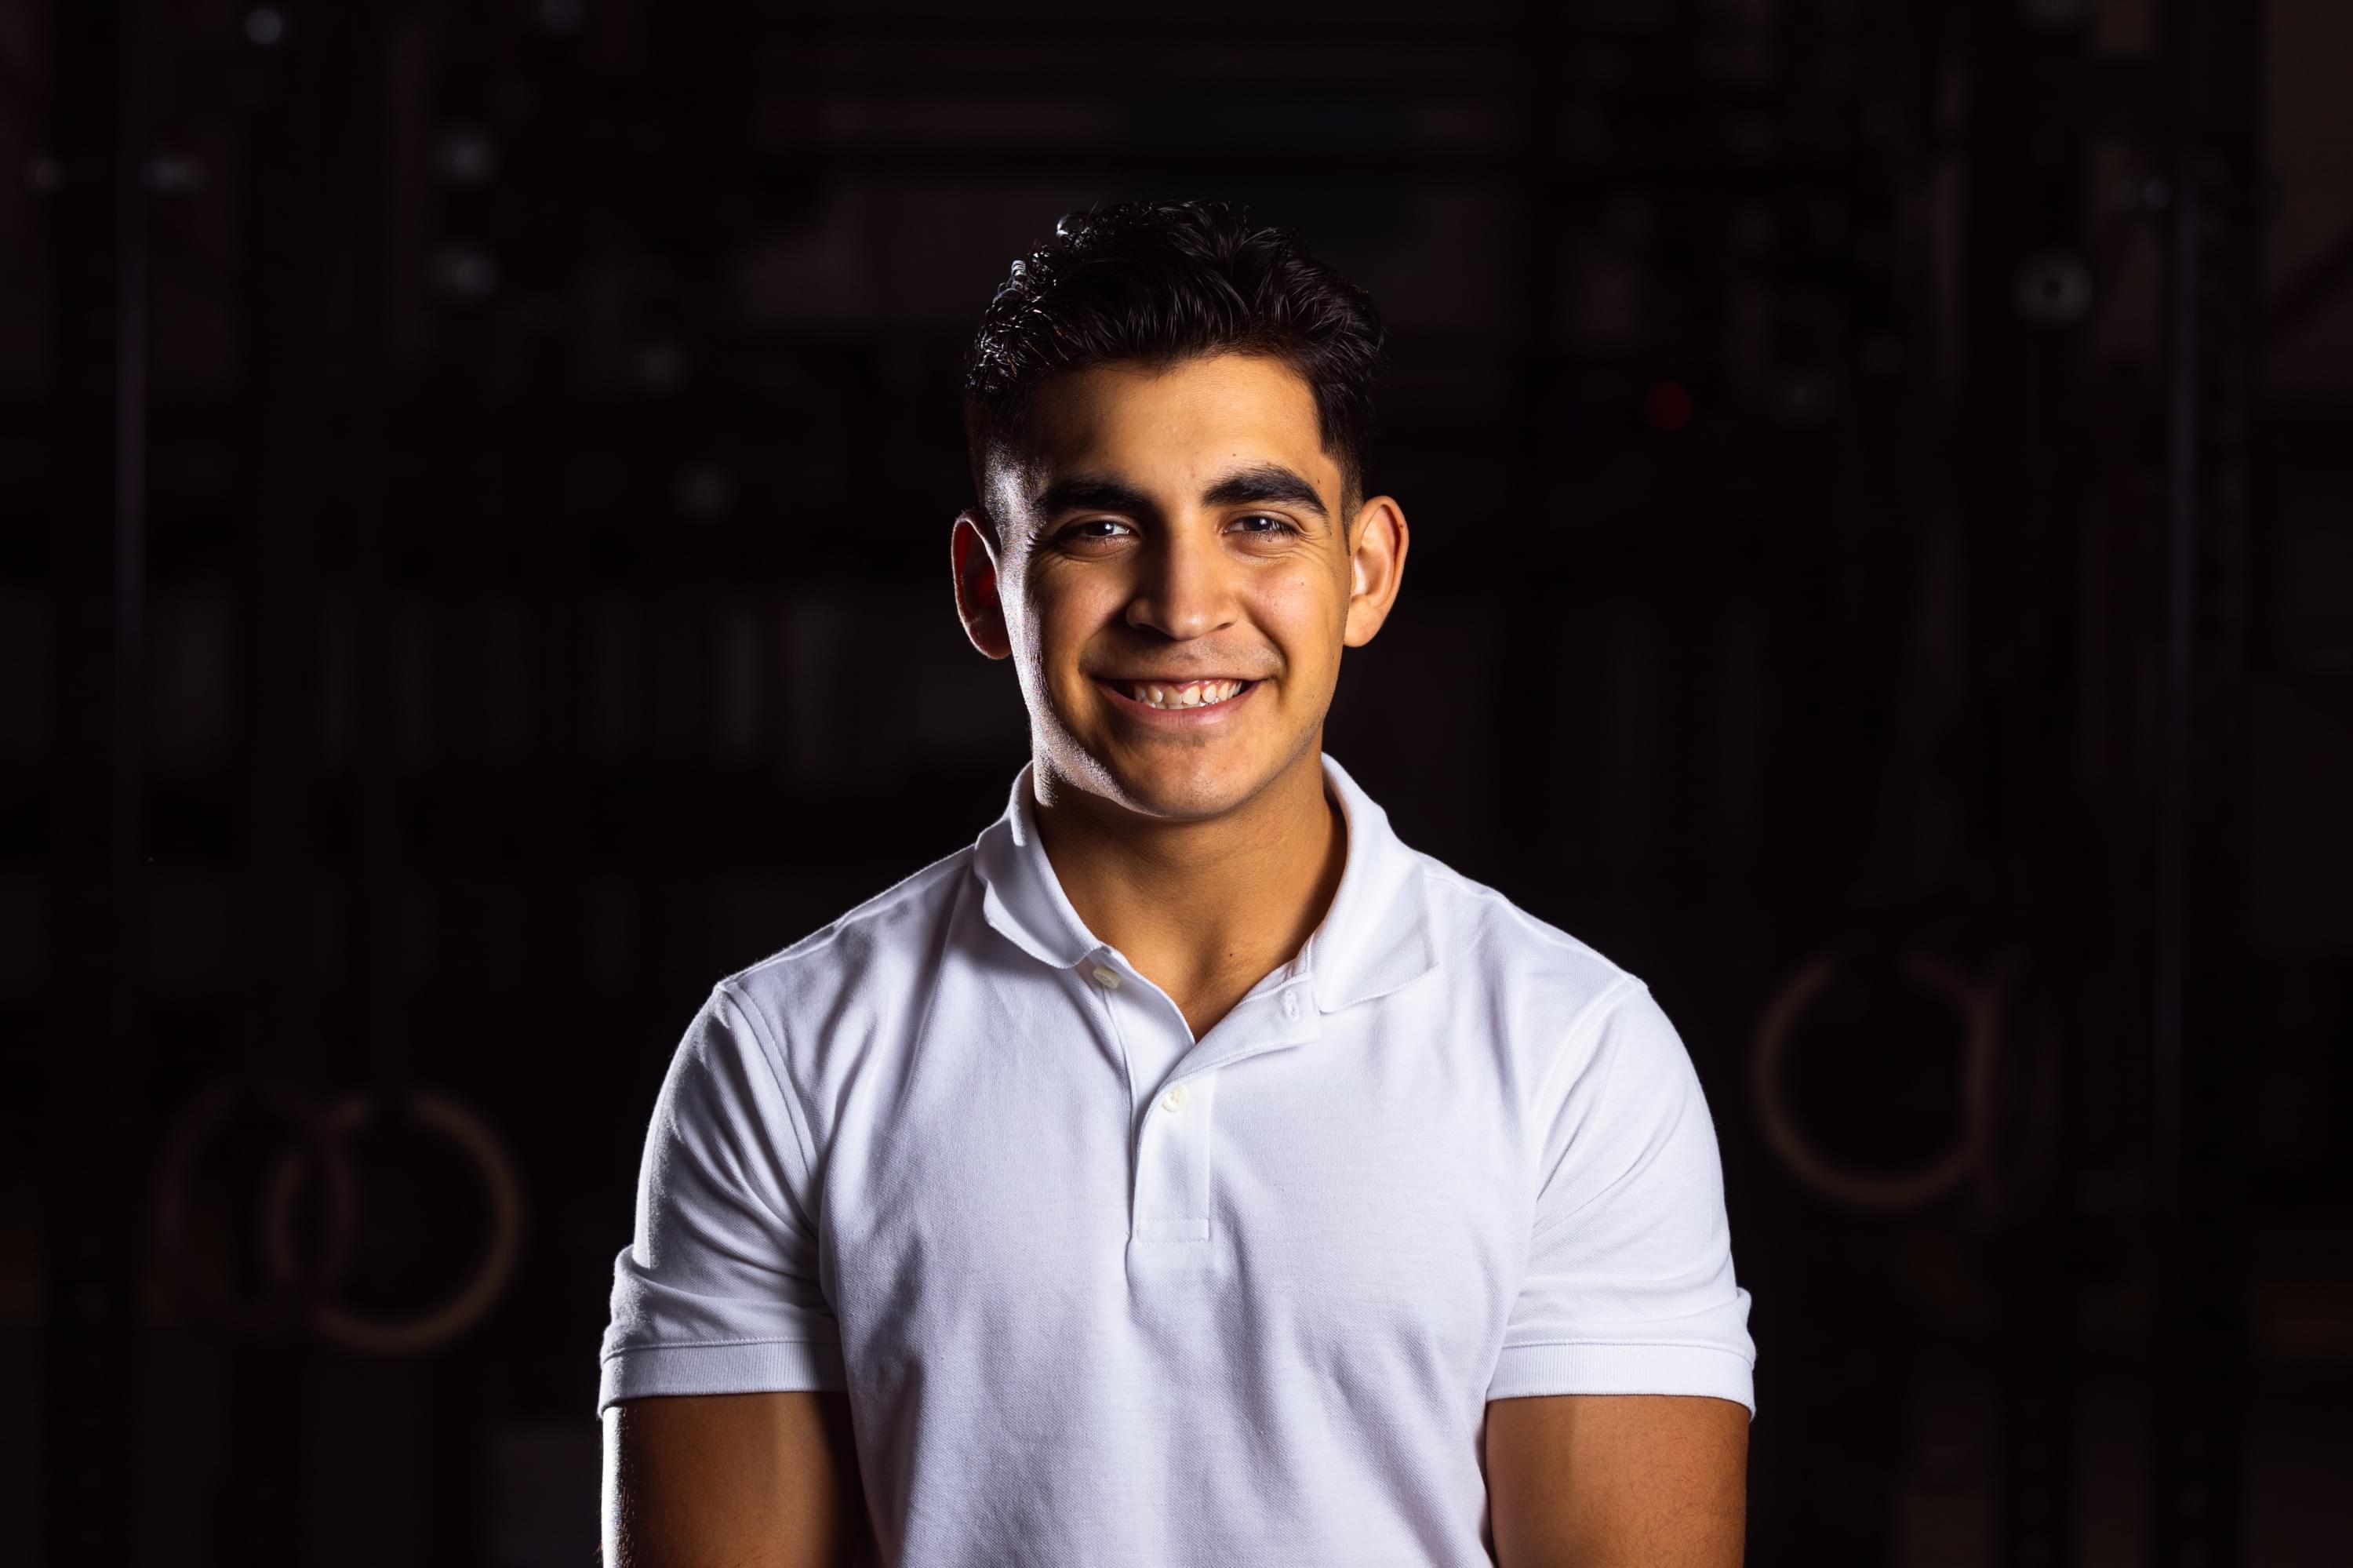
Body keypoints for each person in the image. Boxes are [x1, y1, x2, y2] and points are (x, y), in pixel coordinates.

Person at [598, 198, 1755, 1567]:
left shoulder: (1574, 1052)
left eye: (1258, 520)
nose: (1184, 604)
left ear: (1366, 571)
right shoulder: (782, 1053)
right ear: (984, 586)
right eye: (1100, 526)